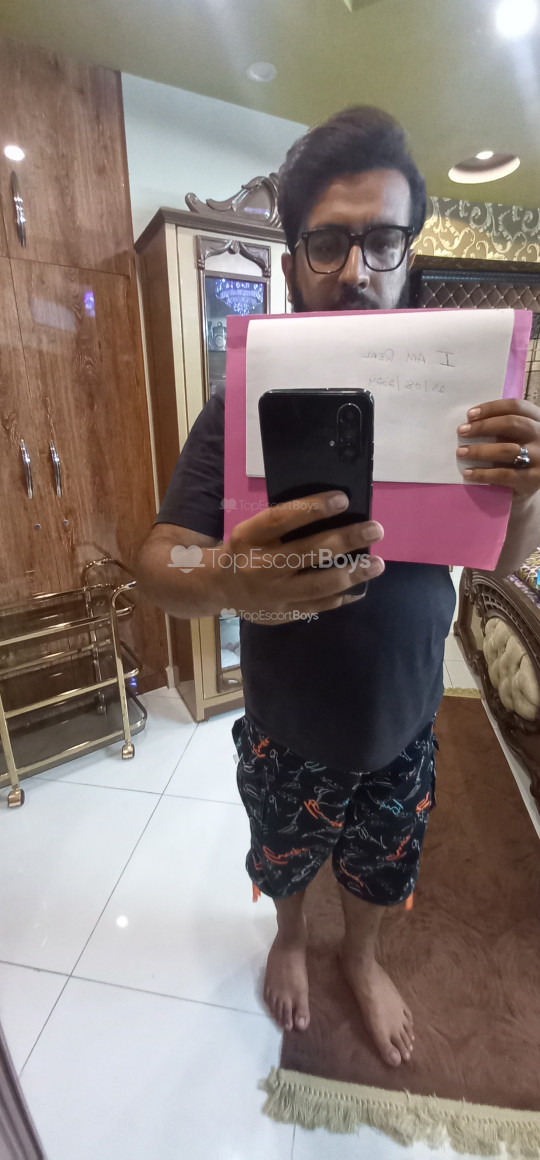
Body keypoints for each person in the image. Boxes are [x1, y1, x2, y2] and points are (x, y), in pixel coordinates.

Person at [135, 106, 540, 1068]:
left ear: (409, 258)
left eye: (383, 240)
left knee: (383, 864)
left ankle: (360, 957)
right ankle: (288, 938)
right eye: (328, 243)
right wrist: (226, 574)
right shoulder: (239, 404)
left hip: (404, 716)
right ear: (292, 264)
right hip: (286, 721)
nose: (357, 269)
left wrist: (529, 493)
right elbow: (157, 560)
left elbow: (503, 562)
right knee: (282, 854)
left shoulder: (469, 402)